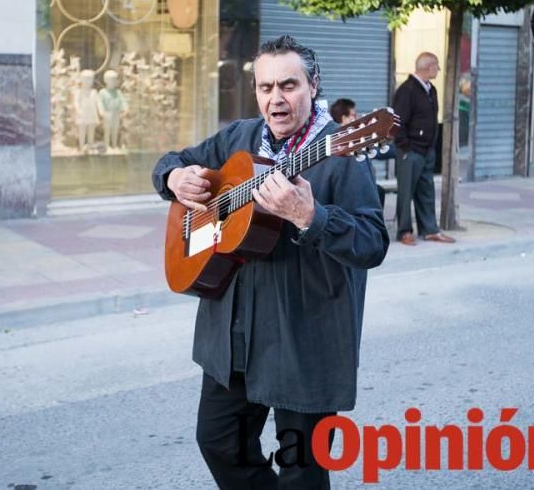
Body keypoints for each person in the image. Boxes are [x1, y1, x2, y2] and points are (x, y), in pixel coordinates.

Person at [152, 35, 389, 489]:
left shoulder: (341, 154)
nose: (275, 99)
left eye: (288, 85)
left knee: (302, 470)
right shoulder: (238, 138)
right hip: (235, 337)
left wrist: (311, 215)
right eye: (265, 88)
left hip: (304, 340)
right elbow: (175, 161)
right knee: (219, 441)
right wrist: (174, 177)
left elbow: (372, 242)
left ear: (313, 85)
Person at [392, 52, 455, 246]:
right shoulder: (407, 90)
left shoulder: (431, 90)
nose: (438, 70)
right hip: (410, 151)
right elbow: (398, 122)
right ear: (428, 67)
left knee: (426, 191)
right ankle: (404, 231)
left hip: (427, 151)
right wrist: (405, 146)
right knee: (406, 192)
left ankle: (429, 229)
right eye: (436, 66)